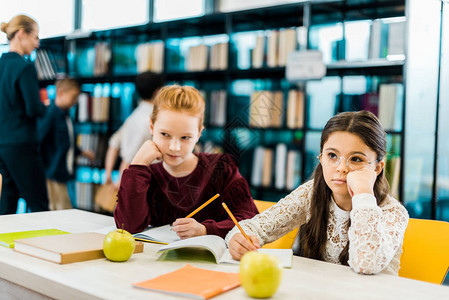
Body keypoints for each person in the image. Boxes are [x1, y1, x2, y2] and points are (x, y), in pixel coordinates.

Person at [226, 110, 409, 275]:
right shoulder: (312, 193)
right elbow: (253, 227)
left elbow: (366, 264)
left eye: (356, 159)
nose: (341, 168)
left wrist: (363, 195)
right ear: (321, 158)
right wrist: (239, 240)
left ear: (377, 168)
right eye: (332, 156)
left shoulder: (393, 212)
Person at [114, 85, 259, 239]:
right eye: (165, 134)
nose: (174, 147)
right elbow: (127, 227)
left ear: (198, 134)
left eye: (185, 138)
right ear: (151, 126)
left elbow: (250, 220)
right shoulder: (145, 175)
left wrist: (206, 229)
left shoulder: (221, 168)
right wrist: (137, 165)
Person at [0, 14, 49, 214]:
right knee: (39, 204)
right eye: (35, 37)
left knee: (7, 203)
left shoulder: (1, 64)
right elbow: (33, 109)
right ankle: (42, 246)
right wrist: (45, 104)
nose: (37, 43)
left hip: (2, 144)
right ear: (21, 34)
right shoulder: (25, 67)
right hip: (22, 144)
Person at [37, 79, 95, 210]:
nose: (75, 102)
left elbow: (66, 142)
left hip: (64, 170)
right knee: (61, 210)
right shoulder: (50, 114)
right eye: (73, 97)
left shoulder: (66, 115)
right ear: (60, 92)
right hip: (52, 173)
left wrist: (82, 152)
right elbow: (39, 141)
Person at [104, 71, 165, 188]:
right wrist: (121, 186)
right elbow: (129, 159)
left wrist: (108, 175)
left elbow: (114, 143)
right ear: (158, 91)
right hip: (143, 183)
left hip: (134, 180)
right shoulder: (151, 119)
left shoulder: (133, 116)